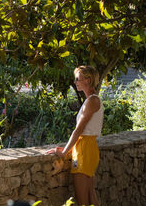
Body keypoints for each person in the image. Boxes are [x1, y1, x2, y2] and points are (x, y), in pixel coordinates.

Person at [46, 65, 104, 206]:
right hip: (85, 148)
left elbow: (79, 130)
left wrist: (65, 152)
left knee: (82, 199)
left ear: (88, 80)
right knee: (90, 196)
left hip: (85, 149)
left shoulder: (92, 101)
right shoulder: (91, 100)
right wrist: (70, 150)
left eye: (78, 79)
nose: (75, 82)